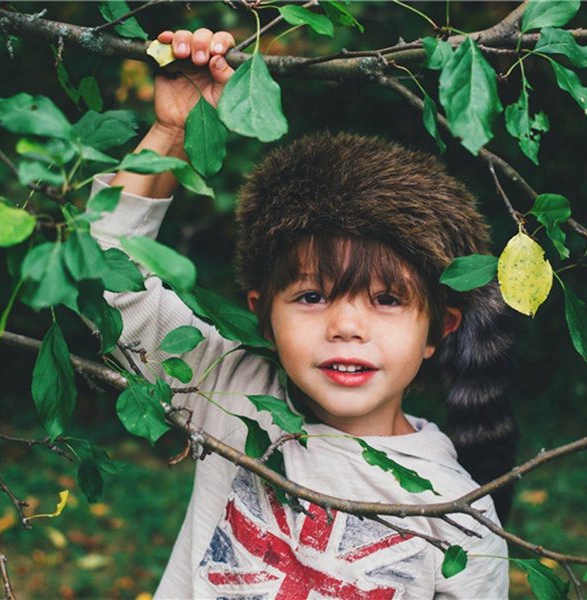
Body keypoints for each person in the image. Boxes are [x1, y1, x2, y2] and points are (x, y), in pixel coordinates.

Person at [90, 28, 513, 599]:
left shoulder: (458, 514)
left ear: (439, 329)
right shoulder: (227, 390)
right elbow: (101, 279)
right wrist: (170, 132)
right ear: (263, 316)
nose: (345, 326)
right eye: (312, 297)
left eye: (386, 300)